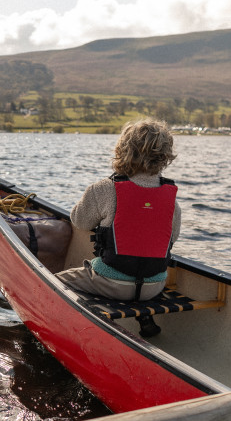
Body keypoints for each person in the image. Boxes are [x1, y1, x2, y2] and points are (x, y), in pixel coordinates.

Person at [56, 118, 181, 337]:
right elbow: (173, 237)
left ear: (123, 150)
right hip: (154, 286)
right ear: (164, 156)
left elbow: (79, 221)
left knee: (53, 283)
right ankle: (143, 314)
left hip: (110, 283)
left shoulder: (104, 189)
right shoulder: (172, 200)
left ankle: (79, 327)